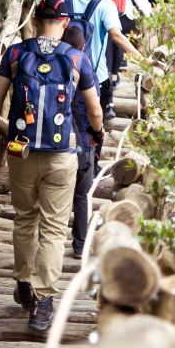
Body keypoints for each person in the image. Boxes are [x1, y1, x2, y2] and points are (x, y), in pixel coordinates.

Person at [0, 0, 103, 332]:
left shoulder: (15, 54)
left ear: (34, 21)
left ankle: (22, 282)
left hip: (22, 152)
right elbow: (94, 110)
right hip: (62, 155)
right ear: (64, 24)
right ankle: (44, 302)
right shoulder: (77, 58)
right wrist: (97, 133)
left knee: (25, 219)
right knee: (52, 227)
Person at [62, 0, 141, 120]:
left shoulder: (66, 1)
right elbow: (116, 36)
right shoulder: (106, 5)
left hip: (66, 72)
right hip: (96, 76)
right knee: (94, 125)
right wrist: (141, 58)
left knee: (68, 121)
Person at [62, 26, 98, 258]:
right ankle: (80, 244)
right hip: (83, 140)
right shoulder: (84, 63)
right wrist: (99, 132)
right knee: (81, 195)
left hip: (56, 139)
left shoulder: (55, 61)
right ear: (83, 46)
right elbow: (94, 109)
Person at [105, 0, 152, 92]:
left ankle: (109, 95)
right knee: (118, 37)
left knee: (108, 39)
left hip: (99, 13)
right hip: (123, 15)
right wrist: (149, 14)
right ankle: (114, 77)